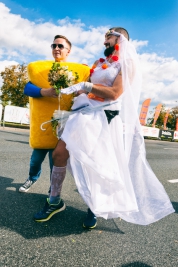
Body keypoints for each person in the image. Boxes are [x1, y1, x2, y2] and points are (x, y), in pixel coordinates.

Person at [34, 27, 174, 229]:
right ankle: (54, 201)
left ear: (121, 39)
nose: (104, 42)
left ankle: (94, 208)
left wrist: (87, 87)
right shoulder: (99, 63)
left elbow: (115, 93)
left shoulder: (127, 64)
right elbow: (86, 87)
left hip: (104, 117)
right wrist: (72, 85)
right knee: (59, 154)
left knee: (96, 164)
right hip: (83, 112)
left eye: (108, 37)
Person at [19, 35, 90, 193]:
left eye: (60, 46)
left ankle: (53, 189)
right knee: (35, 160)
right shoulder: (42, 69)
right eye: (53, 46)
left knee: (55, 161)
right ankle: (32, 178)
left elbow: (87, 87)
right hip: (43, 125)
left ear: (68, 51)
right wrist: (44, 91)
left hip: (63, 124)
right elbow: (27, 89)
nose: (56, 49)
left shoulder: (77, 71)